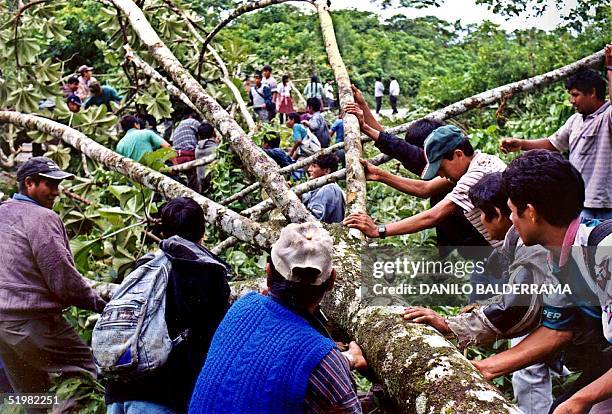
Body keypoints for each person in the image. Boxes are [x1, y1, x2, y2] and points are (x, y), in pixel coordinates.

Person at [402, 172, 556, 414]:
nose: (480, 222)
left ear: (498, 213)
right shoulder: (513, 240)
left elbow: (513, 306)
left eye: (482, 215)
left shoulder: (530, 245)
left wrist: (451, 325)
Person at [471, 150, 612, 414]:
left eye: (513, 211)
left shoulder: (605, 252)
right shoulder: (557, 257)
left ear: (532, 212)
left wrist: (578, 402)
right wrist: (486, 367)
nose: (511, 220)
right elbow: (557, 330)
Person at [189, 222, 369, 413]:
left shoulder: (242, 307)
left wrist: (347, 359)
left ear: (268, 272)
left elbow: (270, 362)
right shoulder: (324, 361)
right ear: (331, 280)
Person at [105, 197, 231, 414]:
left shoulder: (143, 266)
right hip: (162, 395)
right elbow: (216, 341)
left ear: (162, 233)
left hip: (119, 390)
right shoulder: (208, 273)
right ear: (202, 232)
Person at [0, 157, 106, 412]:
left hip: (2, 326)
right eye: (50, 184)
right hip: (33, 322)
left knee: (32, 396)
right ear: (29, 184)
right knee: (88, 372)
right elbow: (63, 279)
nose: (57, 192)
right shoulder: (42, 217)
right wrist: (101, 305)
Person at [344, 87, 489, 259]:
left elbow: (428, 204)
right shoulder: (461, 164)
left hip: (477, 250)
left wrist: (378, 229)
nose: (440, 174)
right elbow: (397, 148)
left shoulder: (467, 174)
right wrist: (364, 111)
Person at [344, 124, 506, 248]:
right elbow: (425, 188)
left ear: (458, 154)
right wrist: (380, 175)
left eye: (441, 168)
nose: (441, 175)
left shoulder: (473, 178)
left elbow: (433, 216)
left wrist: (378, 230)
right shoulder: (484, 160)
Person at [500, 55, 612, 220]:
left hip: (606, 203)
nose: (572, 101)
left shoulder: (607, 116)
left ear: (593, 92)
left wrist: (610, 68)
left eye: (575, 95)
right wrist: (521, 144)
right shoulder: (575, 120)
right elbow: (553, 143)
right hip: (580, 201)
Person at [302, 154, 345, 224]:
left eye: (314, 166)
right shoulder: (330, 186)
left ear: (327, 171)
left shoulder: (327, 189)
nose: (309, 169)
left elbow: (314, 219)